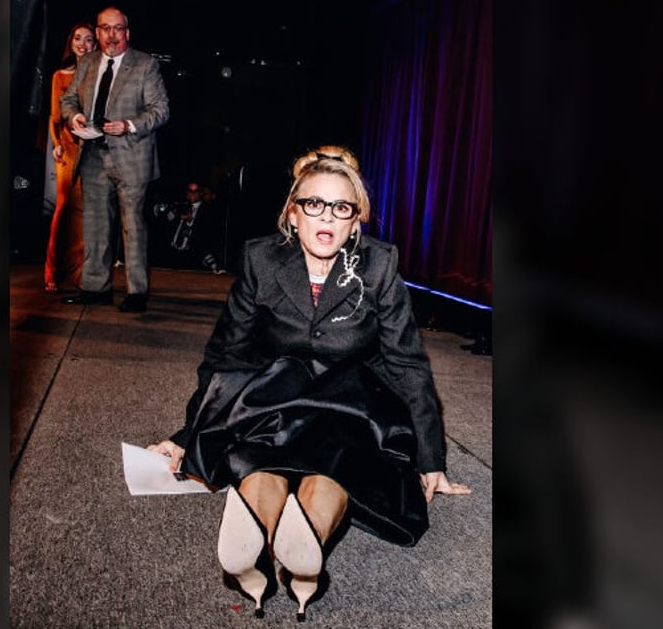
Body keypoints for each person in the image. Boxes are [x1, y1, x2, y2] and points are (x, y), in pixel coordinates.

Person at [148, 145, 471, 620]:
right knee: (263, 456)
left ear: (354, 220)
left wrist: (430, 457)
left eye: (341, 208)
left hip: (352, 399)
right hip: (274, 394)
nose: (327, 217)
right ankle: (255, 534)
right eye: (313, 203)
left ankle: (303, 544)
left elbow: (408, 365)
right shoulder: (261, 258)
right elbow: (227, 354)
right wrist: (188, 432)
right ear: (292, 214)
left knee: (336, 461)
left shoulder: (378, 264)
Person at [60, 6, 169, 312]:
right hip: (93, 154)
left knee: (132, 226)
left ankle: (136, 293)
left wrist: (128, 125)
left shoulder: (145, 64)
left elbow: (160, 110)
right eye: (105, 29)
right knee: (95, 225)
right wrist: (76, 117)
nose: (112, 35)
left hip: (132, 156)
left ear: (127, 33)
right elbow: (67, 100)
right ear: (98, 33)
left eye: (118, 28)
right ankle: (95, 288)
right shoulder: (88, 63)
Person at [43, 22, 97, 294]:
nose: (83, 44)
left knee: (85, 214)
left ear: (95, 45)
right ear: (71, 42)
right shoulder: (59, 76)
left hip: (90, 150)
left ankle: (78, 274)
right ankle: (52, 271)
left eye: (89, 40)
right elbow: (53, 118)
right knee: (64, 209)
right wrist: (55, 144)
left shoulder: (98, 77)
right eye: (78, 38)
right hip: (66, 149)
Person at [153, 181, 225, 273]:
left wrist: (189, 223)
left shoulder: (208, 211)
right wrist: (173, 215)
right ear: (186, 193)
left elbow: (207, 236)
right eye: (190, 191)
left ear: (200, 193)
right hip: (173, 256)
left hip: (194, 257)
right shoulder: (179, 206)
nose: (192, 194)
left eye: (196, 191)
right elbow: (163, 223)